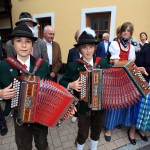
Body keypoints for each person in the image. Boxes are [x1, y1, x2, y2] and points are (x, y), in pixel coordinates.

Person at [0, 23, 51, 149]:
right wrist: (0, 93)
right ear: (13, 44)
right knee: (23, 146)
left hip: (40, 116)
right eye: (19, 41)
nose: (23, 45)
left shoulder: (42, 65)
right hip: (19, 118)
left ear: (32, 45)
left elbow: (50, 87)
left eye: (28, 41)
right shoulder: (4, 66)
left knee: (42, 145)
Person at [60, 28, 110, 150]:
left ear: (95, 48)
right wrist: (71, 85)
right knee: (82, 133)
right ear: (79, 49)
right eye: (84, 47)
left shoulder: (102, 63)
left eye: (91, 47)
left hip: (100, 106)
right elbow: (62, 81)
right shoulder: (74, 65)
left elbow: (111, 79)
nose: (88, 50)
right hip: (82, 107)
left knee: (96, 131)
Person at [104, 22, 136, 142]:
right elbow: (117, 62)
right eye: (124, 30)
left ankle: (117, 122)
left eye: (129, 31)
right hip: (115, 77)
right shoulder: (114, 44)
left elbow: (131, 62)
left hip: (126, 77)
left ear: (131, 33)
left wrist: (125, 63)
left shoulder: (131, 47)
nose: (126, 32)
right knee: (113, 102)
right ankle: (108, 128)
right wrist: (126, 63)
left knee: (123, 102)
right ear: (121, 31)